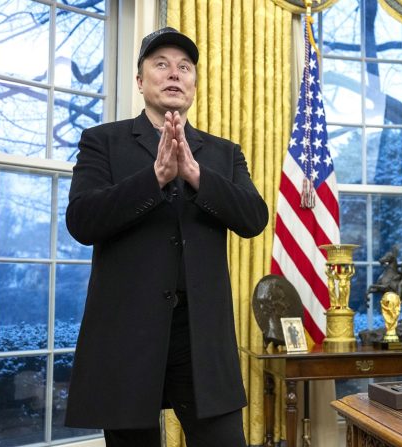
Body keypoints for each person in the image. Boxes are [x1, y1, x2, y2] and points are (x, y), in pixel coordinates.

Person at [64, 27, 268, 446]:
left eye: (185, 67)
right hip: (127, 337)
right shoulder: (102, 142)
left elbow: (254, 218)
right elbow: (82, 221)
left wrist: (195, 175)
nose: (174, 73)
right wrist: (155, 177)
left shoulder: (223, 153)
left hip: (201, 338)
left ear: (193, 83)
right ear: (140, 81)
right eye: (161, 64)